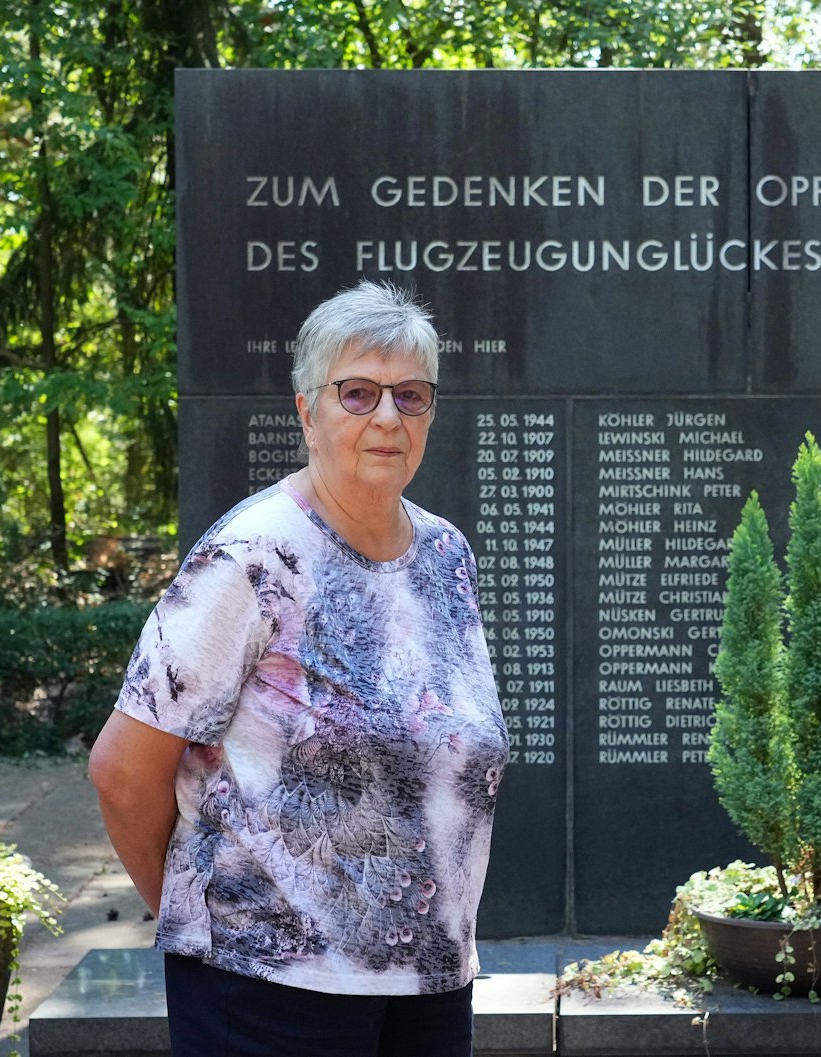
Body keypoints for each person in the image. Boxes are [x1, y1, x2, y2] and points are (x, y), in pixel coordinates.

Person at [89, 281, 508, 1057]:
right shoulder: (252, 555)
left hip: (430, 985)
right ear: (307, 410)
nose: (388, 416)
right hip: (267, 994)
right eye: (358, 392)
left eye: (411, 396)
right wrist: (208, 925)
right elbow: (122, 770)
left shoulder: (447, 554)